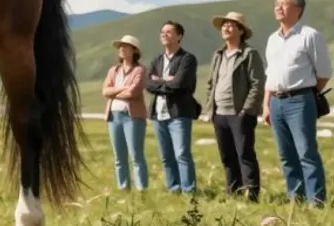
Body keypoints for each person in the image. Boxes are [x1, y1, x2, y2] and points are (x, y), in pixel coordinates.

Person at [263, 0, 330, 206]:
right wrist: (266, 105)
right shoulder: (272, 39)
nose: (278, 8)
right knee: (285, 154)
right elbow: (270, 75)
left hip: (300, 100)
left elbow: (323, 73)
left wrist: (305, 93)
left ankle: (316, 201)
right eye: (276, 4)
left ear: (298, 10)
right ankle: (295, 198)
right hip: (276, 101)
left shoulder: (310, 36)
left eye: (284, 4)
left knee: (306, 152)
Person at [203, 11, 265, 202]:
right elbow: (211, 82)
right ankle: (233, 191)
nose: (226, 28)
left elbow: (257, 83)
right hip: (219, 113)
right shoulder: (218, 54)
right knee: (227, 156)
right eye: (224, 25)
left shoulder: (249, 54)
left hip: (240, 113)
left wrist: (247, 110)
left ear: (241, 31)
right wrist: (210, 106)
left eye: (231, 25)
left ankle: (252, 194)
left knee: (245, 153)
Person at [145, 20, 201, 194]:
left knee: (182, 154)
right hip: (158, 114)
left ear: (179, 36)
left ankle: (188, 190)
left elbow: (179, 84)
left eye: (169, 32)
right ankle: (173, 188)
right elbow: (147, 84)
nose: (164, 34)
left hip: (179, 112)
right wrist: (166, 81)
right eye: (162, 32)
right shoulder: (156, 60)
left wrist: (159, 82)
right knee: (166, 156)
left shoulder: (187, 59)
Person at [101, 35, 148, 191]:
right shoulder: (113, 70)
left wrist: (114, 92)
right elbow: (105, 91)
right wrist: (121, 89)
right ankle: (123, 187)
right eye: (120, 46)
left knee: (136, 155)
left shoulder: (140, 70)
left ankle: (141, 188)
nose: (121, 49)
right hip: (114, 116)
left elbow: (133, 93)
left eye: (126, 46)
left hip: (132, 117)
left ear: (134, 50)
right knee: (119, 157)